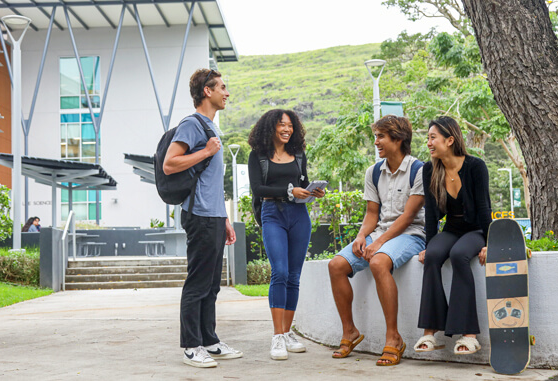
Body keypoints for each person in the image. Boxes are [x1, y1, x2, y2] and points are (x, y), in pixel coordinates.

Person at [328, 115, 426, 366]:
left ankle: (393, 338)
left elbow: (408, 217)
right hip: (380, 232)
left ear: (398, 138)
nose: (376, 142)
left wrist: (378, 242)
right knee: (336, 265)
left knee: (378, 263)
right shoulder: (373, 172)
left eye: (381, 136)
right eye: (376, 136)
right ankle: (349, 330)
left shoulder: (419, 170)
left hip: (412, 234)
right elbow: (372, 213)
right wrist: (362, 237)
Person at [162, 68, 241, 368]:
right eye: (222, 87)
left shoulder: (211, 127)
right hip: (198, 215)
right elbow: (171, 163)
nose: (227, 92)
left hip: (214, 216)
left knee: (211, 285)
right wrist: (206, 151)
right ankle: (191, 346)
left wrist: (224, 217)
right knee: (197, 283)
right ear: (207, 91)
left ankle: (210, 341)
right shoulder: (193, 125)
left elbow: (212, 182)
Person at [248, 109, 325, 361]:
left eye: (290, 125)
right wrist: (290, 191)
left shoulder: (299, 154)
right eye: (281, 124)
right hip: (273, 214)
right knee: (279, 272)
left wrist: (312, 191)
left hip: (299, 216)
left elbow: (302, 181)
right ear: (270, 127)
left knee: (294, 276)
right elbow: (258, 188)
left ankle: (288, 332)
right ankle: (277, 336)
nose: (286, 129)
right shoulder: (258, 156)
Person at [413, 116, 492, 355]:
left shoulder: (475, 166)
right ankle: (431, 332)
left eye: (432, 137)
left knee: (459, 255)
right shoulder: (429, 169)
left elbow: (484, 208)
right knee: (434, 256)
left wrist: (490, 243)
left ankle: (469, 335)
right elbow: (430, 215)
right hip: (452, 229)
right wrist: (428, 246)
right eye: (428, 138)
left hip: (476, 229)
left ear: (450, 140)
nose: (428, 142)